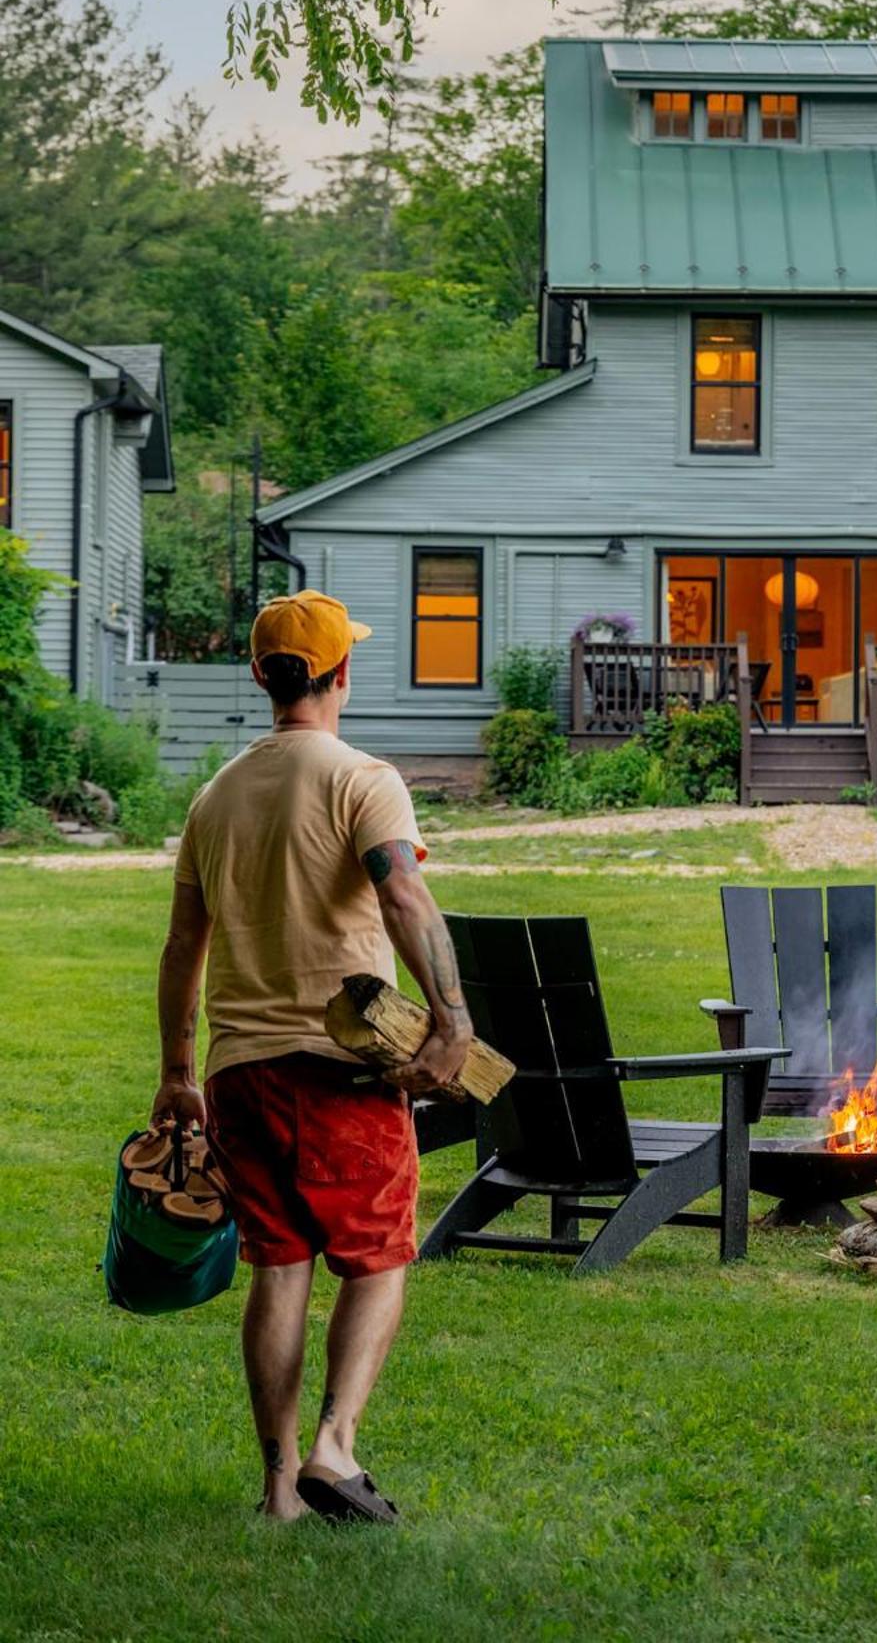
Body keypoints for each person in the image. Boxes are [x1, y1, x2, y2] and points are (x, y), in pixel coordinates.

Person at [150, 589, 473, 1523]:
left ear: (260, 675)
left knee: (280, 1265)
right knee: (377, 1258)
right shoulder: (363, 777)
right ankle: (335, 1448)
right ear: (342, 673)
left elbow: (182, 950)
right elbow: (405, 897)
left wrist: (176, 1074)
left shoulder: (215, 797)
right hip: (340, 1062)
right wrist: (451, 1021)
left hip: (238, 1070)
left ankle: (278, 1487)